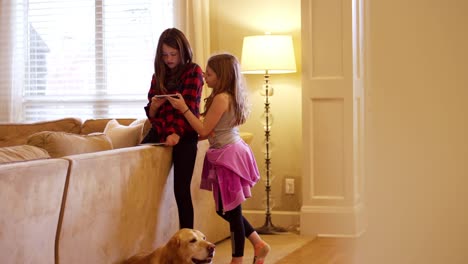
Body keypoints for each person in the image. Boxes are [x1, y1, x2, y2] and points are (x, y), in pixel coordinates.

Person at [167, 53, 270, 264]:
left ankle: (237, 259)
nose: (205, 75)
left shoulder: (222, 98)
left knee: (231, 211)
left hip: (228, 156)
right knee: (225, 209)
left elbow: (203, 131)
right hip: (227, 152)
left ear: (221, 76)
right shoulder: (227, 96)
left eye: (210, 72)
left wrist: (184, 108)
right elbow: (207, 129)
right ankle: (258, 243)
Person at [142, 28, 204, 230]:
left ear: (182, 52)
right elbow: (152, 115)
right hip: (160, 131)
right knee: (137, 169)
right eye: (164, 54)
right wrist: (154, 107)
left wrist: (176, 132)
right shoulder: (158, 75)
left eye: (173, 54)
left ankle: (188, 241)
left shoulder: (193, 71)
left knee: (181, 190)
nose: (168, 59)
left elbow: (191, 108)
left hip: (185, 135)